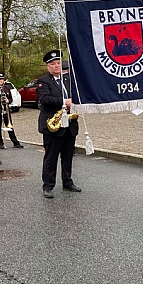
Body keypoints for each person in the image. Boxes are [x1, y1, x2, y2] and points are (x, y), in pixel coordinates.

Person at [36, 50, 80, 198]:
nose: (56, 66)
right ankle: (48, 186)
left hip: (69, 124)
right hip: (52, 124)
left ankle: (67, 182)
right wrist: (64, 102)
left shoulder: (67, 79)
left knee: (68, 156)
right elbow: (45, 99)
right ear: (48, 66)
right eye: (53, 64)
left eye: (58, 63)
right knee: (51, 157)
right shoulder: (43, 81)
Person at [0, 72, 23, 149]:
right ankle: (0, 142)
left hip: (6, 109)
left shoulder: (6, 88)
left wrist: (8, 101)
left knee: (9, 125)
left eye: (2, 79)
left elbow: (11, 99)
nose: (1, 81)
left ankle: (15, 142)